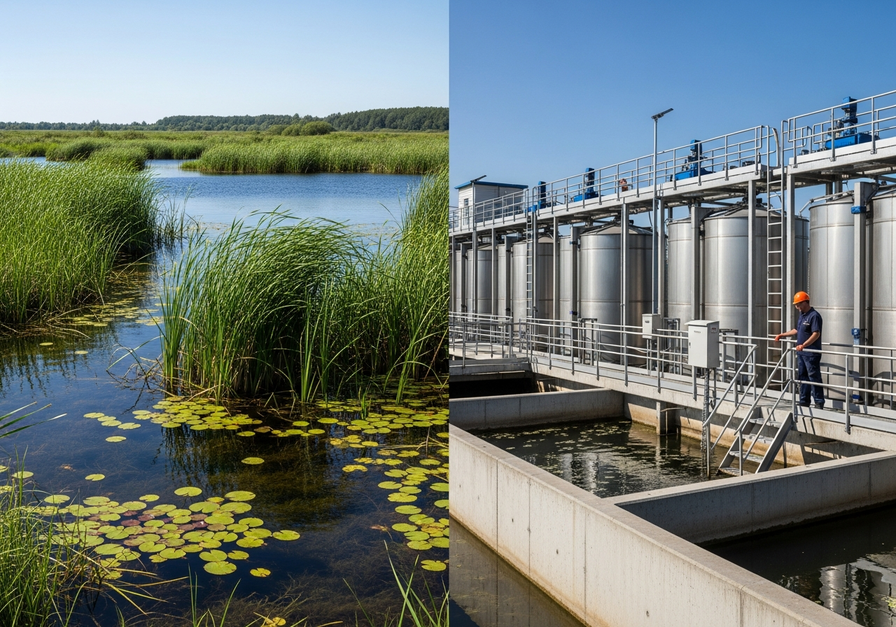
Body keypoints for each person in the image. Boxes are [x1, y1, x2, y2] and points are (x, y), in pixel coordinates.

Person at [774, 291, 824, 409]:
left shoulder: (814, 316)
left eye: (798, 304)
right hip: (802, 353)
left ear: (805, 302)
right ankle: (804, 401)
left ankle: (818, 401)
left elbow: (816, 334)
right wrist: (782, 335)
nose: (797, 307)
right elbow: (796, 330)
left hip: (811, 353)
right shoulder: (802, 315)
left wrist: (804, 345)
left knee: (814, 377)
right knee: (802, 377)